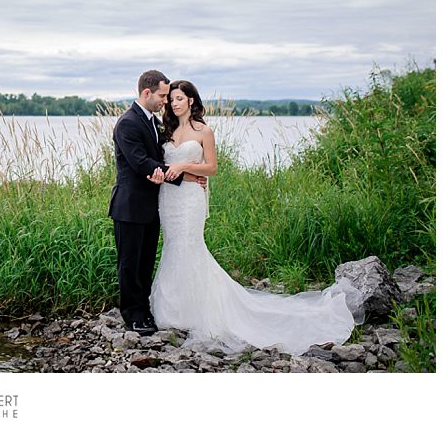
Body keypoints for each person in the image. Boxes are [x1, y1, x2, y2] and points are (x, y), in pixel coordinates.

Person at [148, 79, 355, 354]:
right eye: (171, 99)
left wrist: (186, 164)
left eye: (178, 98)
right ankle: (174, 307)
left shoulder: (204, 131)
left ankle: (200, 309)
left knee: (190, 245)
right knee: (173, 245)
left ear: (191, 101)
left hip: (190, 199)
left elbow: (211, 168)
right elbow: (161, 164)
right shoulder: (167, 130)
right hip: (169, 197)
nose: (173, 103)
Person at [108, 70, 205, 335]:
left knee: (146, 261)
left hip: (153, 206)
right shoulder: (128, 123)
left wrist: (190, 176)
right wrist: (185, 176)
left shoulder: (154, 122)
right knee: (129, 264)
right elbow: (141, 163)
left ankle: (145, 309)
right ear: (147, 93)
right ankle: (133, 315)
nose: (166, 101)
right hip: (129, 206)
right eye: (163, 95)